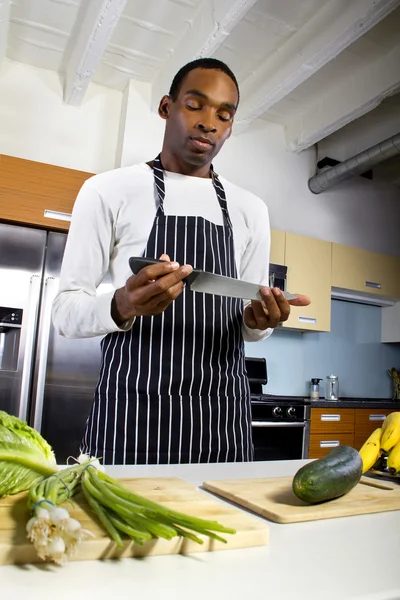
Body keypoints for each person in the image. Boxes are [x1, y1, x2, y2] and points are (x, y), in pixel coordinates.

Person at [53, 58, 310, 465]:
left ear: (229, 127)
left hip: (220, 419)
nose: (209, 122)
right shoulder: (107, 190)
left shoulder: (251, 209)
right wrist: (123, 303)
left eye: (224, 115)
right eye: (195, 105)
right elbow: (65, 312)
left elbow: (249, 327)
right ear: (165, 107)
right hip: (129, 414)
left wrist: (260, 322)